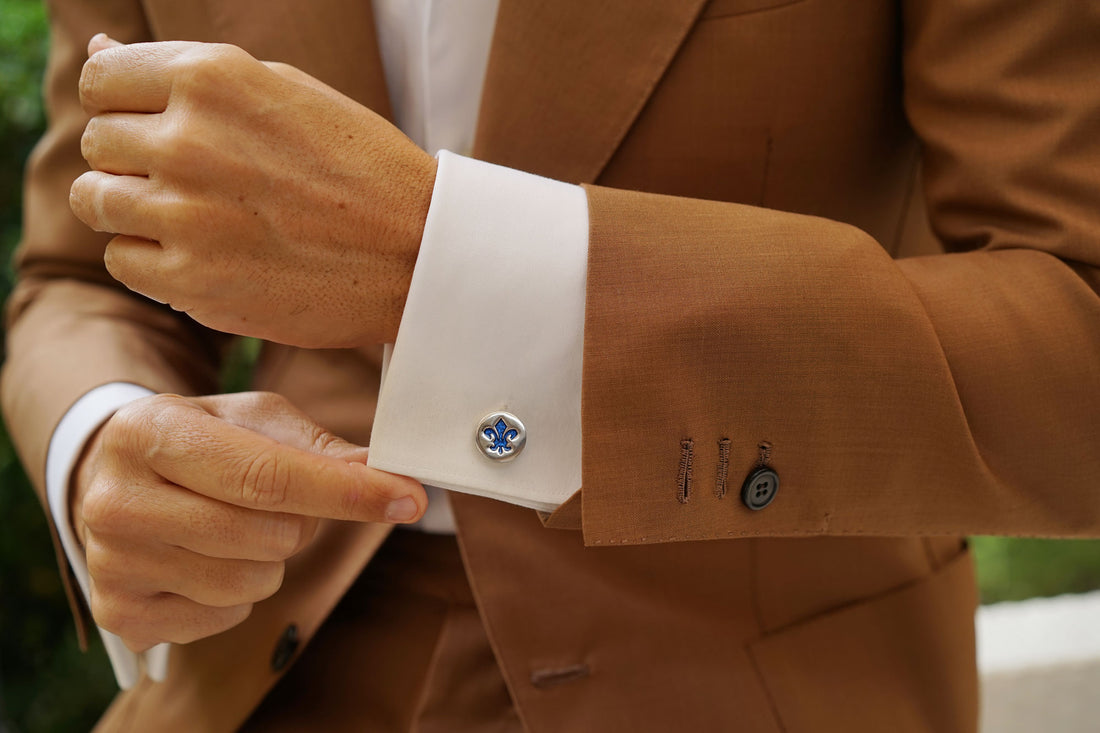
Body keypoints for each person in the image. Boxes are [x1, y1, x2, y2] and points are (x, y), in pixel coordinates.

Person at [5, 0, 1099, 731]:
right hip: (270, 659)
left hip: (746, 672)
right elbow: (78, 272)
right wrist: (101, 438)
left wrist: (441, 256)